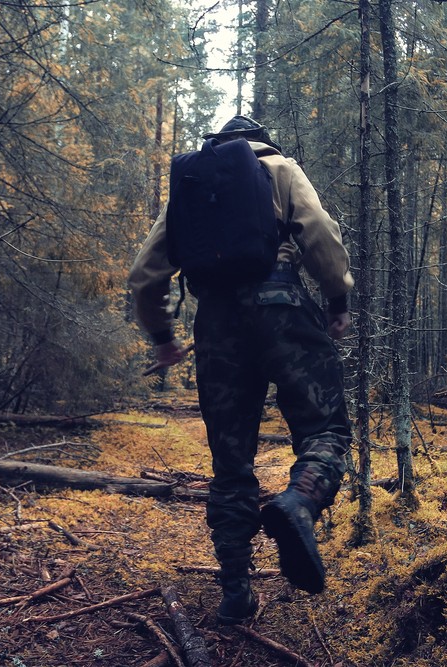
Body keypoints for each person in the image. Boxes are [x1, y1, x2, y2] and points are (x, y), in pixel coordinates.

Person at [128, 115, 354, 625]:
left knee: (230, 464)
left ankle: (236, 591)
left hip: (217, 322)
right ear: (260, 138)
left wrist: (164, 338)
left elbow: (144, 274)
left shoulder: (190, 185)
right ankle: (299, 501)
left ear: (218, 144)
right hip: (281, 306)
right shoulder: (278, 167)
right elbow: (318, 230)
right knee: (325, 427)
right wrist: (337, 297)